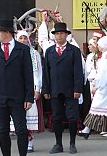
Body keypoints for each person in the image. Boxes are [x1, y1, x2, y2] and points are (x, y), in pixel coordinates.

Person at [0, 19, 34, 156]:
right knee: (3, 131)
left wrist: (29, 97)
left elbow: (28, 75)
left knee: (21, 130)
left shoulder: (22, 49)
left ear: (7, 32)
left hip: (18, 97)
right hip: (0, 98)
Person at [42, 22, 83, 154]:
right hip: (55, 89)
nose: (59, 36)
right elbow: (46, 72)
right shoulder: (49, 51)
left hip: (70, 89)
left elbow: (78, 71)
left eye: (61, 33)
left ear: (66, 35)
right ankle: (58, 144)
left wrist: (78, 89)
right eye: (57, 34)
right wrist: (46, 89)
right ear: (54, 36)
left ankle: (72, 143)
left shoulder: (74, 50)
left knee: (72, 117)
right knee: (56, 117)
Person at [10, 30, 43, 153]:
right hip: (16, 89)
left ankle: (30, 141)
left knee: (29, 117)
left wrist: (37, 88)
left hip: (30, 88)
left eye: (25, 38)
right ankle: (22, 141)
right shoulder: (13, 53)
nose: (23, 40)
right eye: (20, 38)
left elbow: (37, 72)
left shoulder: (33, 54)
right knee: (18, 119)